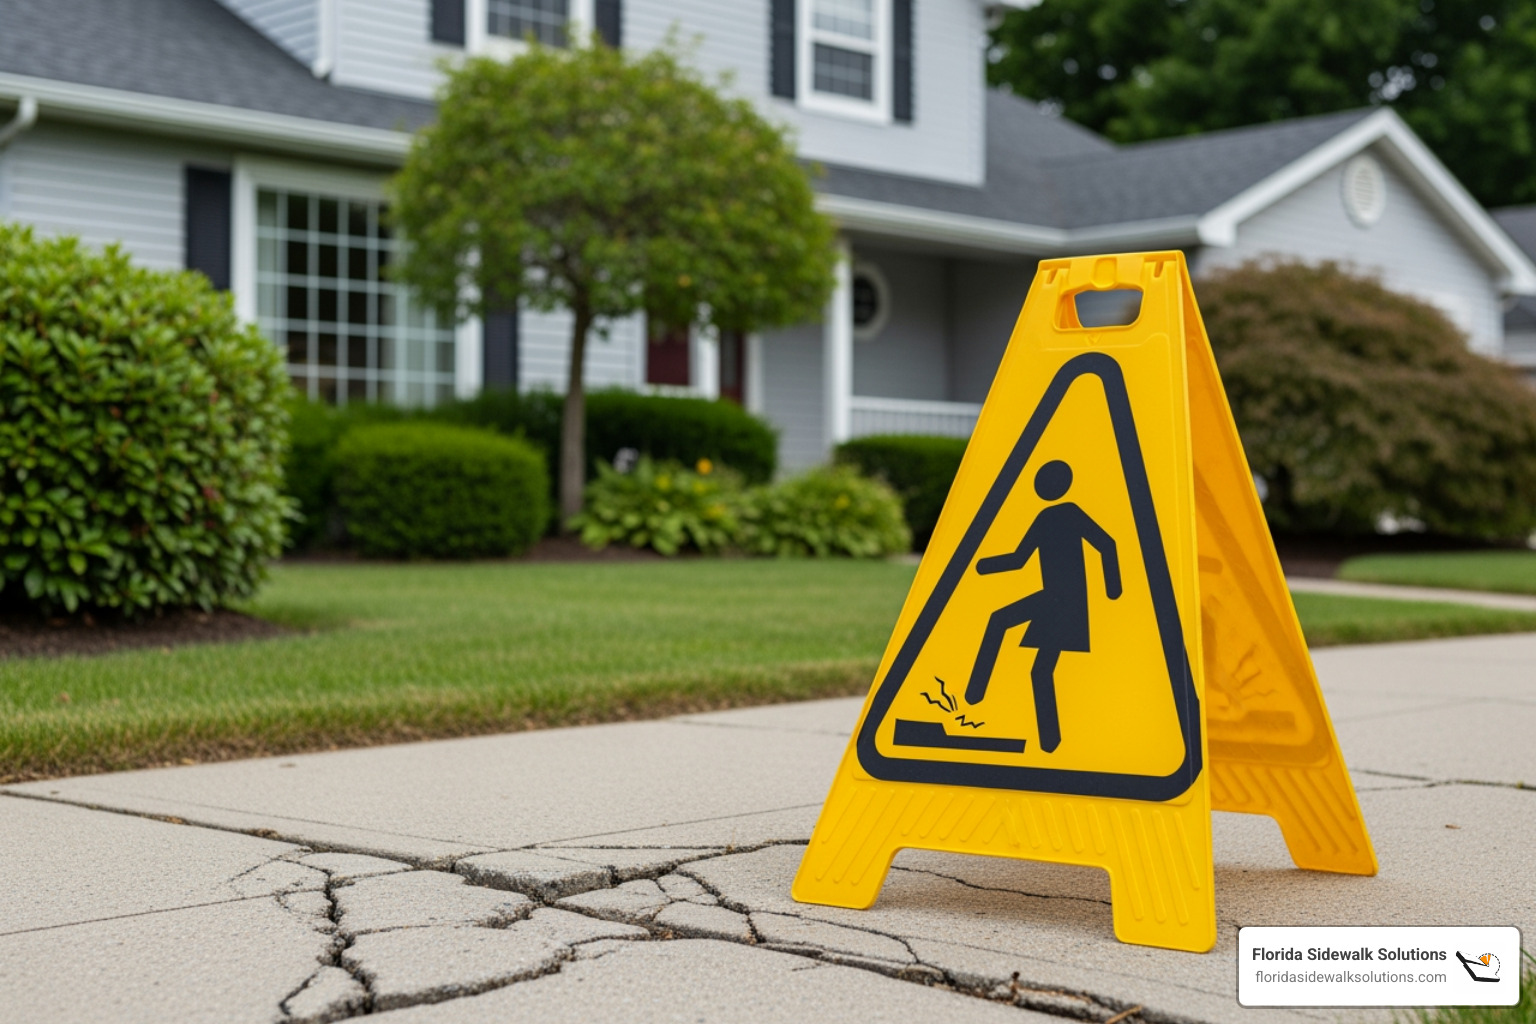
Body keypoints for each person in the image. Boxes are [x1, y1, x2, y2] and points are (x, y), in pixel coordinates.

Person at [965, 459, 1121, 752]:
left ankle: (1046, 742)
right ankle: (980, 699)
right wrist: (982, 566)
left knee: (1012, 637)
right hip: (1053, 598)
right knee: (1028, 656)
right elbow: (1019, 559)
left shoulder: (1071, 513)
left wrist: (1114, 590)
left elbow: (1107, 544)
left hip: (1067, 603)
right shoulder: (1043, 517)